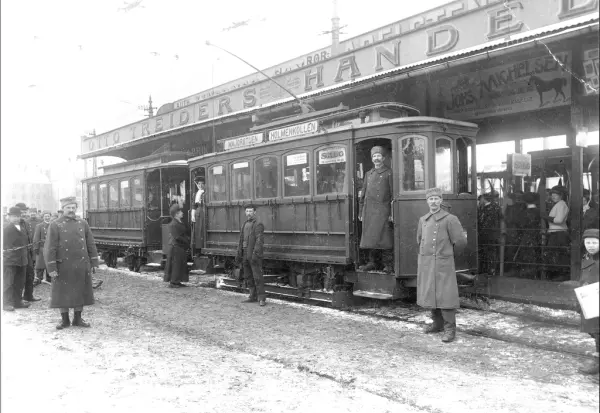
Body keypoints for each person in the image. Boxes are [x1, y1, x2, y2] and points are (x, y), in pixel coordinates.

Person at [417, 187, 467, 343]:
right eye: (430, 199)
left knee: (446, 296)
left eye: (436, 199)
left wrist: (447, 255)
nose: (433, 202)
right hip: (427, 263)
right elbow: (419, 240)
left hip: (444, 263)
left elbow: (460, 242)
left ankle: (450, 329)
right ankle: (437, 324)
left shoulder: (450, 219)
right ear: (427, 201)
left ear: (441, 200)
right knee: (431, 293)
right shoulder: (423, 220)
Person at [45, 196, 99, 330]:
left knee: (80, 290)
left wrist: (94, 261)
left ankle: (77, 318)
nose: (71, 210)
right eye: (68, 207)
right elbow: (50, 247)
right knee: (62, 292)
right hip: (63, 265)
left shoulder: (83, 223)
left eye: (73, 207)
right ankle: (64, 320)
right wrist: (52, 267)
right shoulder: (55, 224)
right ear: (63, 209)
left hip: (81, 264)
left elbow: (90, 243)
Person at [358, 146, 394, 273]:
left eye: (378, 156)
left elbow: (393, 194)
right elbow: (363, 195)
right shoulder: (368, 174)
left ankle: (388, 264)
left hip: (383, 210)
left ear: (383, 158)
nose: (376, 158)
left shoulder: (389, 173)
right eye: (374, 156)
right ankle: (372, 263)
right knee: (371, 238)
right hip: (369, 210)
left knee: (385, 238)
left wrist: (392, 212)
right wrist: (361, 211)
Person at [577, 229, 599, 376]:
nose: (590, 245)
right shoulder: (586, 257)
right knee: (595, 332)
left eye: (594, 242)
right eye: (588, 242)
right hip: (589, 300)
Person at [236, 204, 266, 306]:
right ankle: (252, 296)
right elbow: (241, 240)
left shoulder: (258, 224)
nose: (249, 213)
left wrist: (255, 254)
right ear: (245, 212)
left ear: (254, 212)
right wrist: (239, 253)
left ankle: (261, 298)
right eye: (247, 211)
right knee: (248, 276)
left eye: (250, 211)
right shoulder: (244, 224)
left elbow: (259, 241)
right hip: (245, 254)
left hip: (253, 255)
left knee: (257, 276)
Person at [3, 207, 32, 311]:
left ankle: (17, 301)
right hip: (10, 260)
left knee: (20, 282)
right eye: (14, 216)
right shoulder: (6, 229)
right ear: (9, 217)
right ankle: (6, 303)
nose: (16, 218)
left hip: (22, 260)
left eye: (18, 216)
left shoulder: (22, 227)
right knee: (8, 282)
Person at [541, 185, 570, 281]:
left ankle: (561, 275)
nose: (553, 196)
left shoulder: (562, 205)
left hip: (559, 233)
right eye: (552, 194)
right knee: (556, 254)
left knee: (558, 254)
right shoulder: (558, 204)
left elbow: (559, 220)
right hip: (556, 232)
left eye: (556, 194)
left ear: (561, 195)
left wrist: (546, 217)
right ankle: (558, 274)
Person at [513, 192, 542, 279]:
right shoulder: (540, 211)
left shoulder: (523, 213)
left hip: (526, 236)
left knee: (526, 255)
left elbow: (519, 225)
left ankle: (527, 275)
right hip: (538, 236)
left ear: (525, 202)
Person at [14, 203, 40, 302]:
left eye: (25, 211)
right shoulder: (13, 224)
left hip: (27, 253)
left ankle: (28, 296)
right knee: (19, 277)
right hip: (17, 255)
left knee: (30, 275)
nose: (24, 213)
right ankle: (17, 299)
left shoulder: (25, 222)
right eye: (22, 212)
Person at [163, 204, 190, 288]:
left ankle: (178, 281)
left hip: (181, 247)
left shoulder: (180, 222)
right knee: (176, 265)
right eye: (180, 211)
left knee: (181, 264)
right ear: (176, 214)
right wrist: (187, 241)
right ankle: (173, 282)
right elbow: (177, 237)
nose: (182, 212)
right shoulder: (172, 224)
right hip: (176, 247)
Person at [477, 192, 502, 276]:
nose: (479, 201)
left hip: (487, 235)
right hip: (493, 235)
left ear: (483, 199)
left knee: (488, 253)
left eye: (480, 199)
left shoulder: (487, 209)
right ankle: (491, 270)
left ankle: (489, 270)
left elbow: (484, 223)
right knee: (491, 253)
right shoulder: (495, 207)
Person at [33, 211, 52, 284]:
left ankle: (49, 279)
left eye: (48, 216)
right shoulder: (39, 226)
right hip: (41, 248)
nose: (47, 218)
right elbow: (36, 237)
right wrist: (36, 248)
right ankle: (39, 278)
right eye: (45, 216)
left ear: (50, 217)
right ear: (43, 217)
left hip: (50, 247)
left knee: (49, 263)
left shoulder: (53, 225)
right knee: (40, 264)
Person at [191, 177, 205, 253]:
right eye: (199, 183)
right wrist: (192, 215)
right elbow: (194, 206)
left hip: (204, 212)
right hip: (198, 213)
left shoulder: (205, 193)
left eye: (202, 183)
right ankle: (198, 248)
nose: (200, 185)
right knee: (198, 231)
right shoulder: (196, 194)